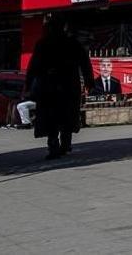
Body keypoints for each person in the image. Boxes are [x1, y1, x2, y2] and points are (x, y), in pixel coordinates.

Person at [24, 16, 94, 159]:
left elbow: (33, 67)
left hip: (54, 86)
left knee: (56, 117)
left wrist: (29, 83)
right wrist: (89, 81)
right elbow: (85, 64)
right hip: (60, 86)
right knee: (60, 116)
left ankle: (57, 145)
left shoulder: (46, 43)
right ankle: (60, 144)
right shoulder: (68, 43)